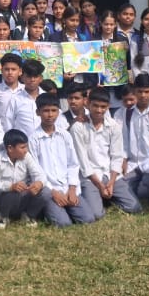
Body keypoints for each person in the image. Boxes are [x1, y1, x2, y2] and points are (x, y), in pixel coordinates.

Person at [71, 91, 141, 218]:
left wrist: (111, 183)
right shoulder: (78, 127)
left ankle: (107, 197)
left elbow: (117, 156)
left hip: (110, 175)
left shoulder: (113, 126)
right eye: (95, 106)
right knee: (96, 214)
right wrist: (100, 185)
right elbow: (83, 162)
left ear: (108, 106)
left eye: (103, 107)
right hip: (90, 177)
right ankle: (100, 197)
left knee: (134, 207)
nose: (99, 110)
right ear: (88, 104)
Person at [30, 94, 92, 227]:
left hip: (67, 187)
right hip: (49, 190)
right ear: (38, 112)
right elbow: (36, 172)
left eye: (54, 110)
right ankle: (45, 209)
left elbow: (73, 164)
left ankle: (64, 208)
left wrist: (72, 190)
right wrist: (54, 193)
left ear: (59, 111)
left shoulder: (65, 135)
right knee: (64, 223)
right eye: (46, 111)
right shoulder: (33, 139)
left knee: (88, 219)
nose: (50, 115)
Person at [0, 128, 46, 228]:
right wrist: (11, 187)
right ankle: (3, 216)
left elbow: (40, 174)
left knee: (45, 192)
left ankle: (28, 215)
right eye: (22, 147)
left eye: (26, 146)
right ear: (10, 148)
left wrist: (39, 183)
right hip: (3, 197)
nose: (26, 150)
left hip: (22, 195)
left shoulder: (27, 156)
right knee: (10, 194)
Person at [113, 74, 149, 193]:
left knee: (144, 189)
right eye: (139, 91)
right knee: (117, 187)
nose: (143, 95)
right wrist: (124, 159)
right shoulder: (127, 112)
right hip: (133, 164)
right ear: (134, 91)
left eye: (147, 92)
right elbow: (124, 139)